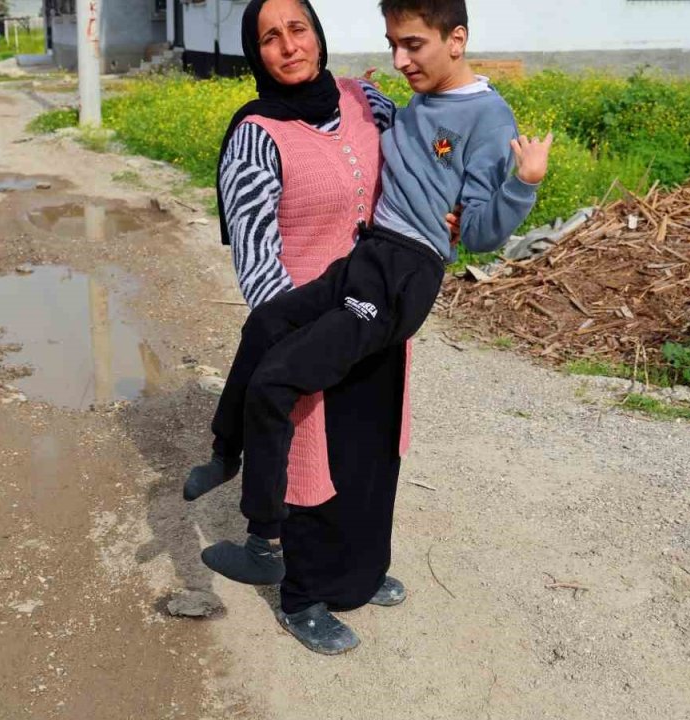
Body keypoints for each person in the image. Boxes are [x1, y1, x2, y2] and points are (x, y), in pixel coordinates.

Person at [187, 0, 552, 654]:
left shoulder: (368, 101)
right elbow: (253, 249)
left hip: (379, 288)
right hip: (320, 301)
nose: (289, 46)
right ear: (254, 51)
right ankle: (301, 592)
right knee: (313, 455)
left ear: (318, 34)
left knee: (370, 450)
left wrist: (463, 216)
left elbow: (435, 155)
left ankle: (359, 572)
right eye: (269, 38)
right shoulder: (254, 132)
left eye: (298, 28)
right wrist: (303, 330)